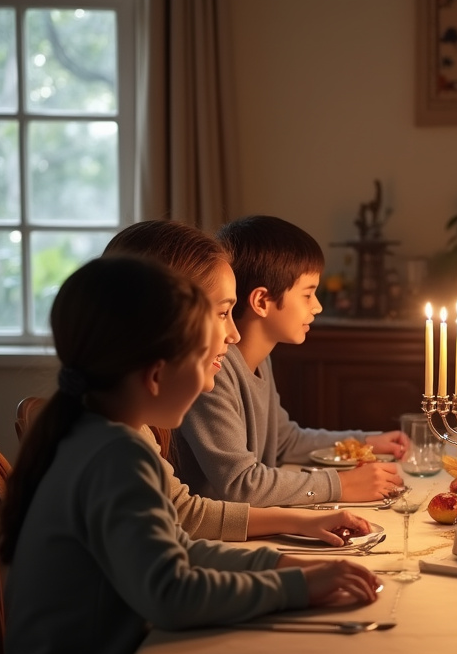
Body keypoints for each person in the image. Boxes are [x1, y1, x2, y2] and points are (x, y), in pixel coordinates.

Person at [0, 257, 380, 654]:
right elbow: (172, 595)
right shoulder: (116, 454)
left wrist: (279, 563)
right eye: (202, 360)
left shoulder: (89, 432)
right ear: (156, 375)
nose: (208, 381)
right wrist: (296, 588)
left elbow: (180, 547)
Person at [103, 219, 372, 542]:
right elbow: (169, 578)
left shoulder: (132, 430)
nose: (233, 334)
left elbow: (184, 517)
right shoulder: (115, 442)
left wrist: (295, 531)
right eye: (221, 314)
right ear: (165, 323)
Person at [174, 215, 406, 506]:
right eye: (308, 294)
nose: (318, 306)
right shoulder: (214, 370)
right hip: (219, 538)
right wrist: (339, 485)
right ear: (261, 302)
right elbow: (241, 485)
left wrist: (364, 442)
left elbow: (285, 441)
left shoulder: (260, 360)